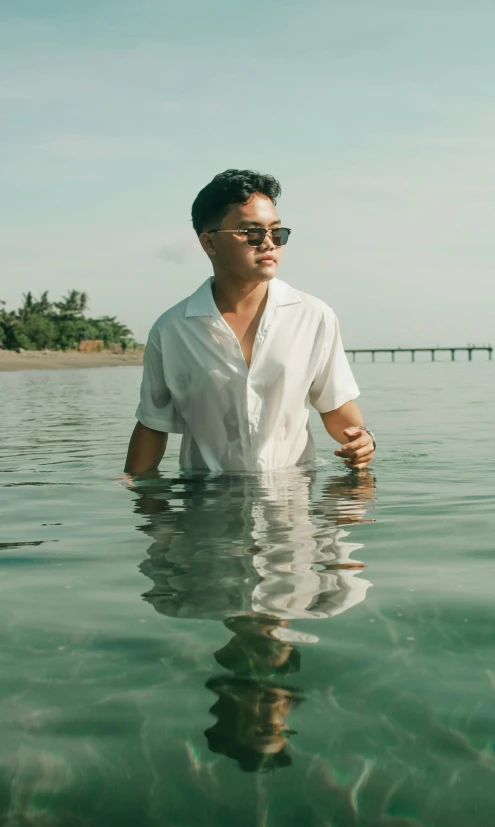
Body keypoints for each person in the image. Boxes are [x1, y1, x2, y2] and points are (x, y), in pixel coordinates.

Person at [124, 169, 375, 474]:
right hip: (206, 502)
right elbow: (153, 424)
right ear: (209, 243)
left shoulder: (313, 316)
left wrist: (362, 439)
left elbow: (335, 404)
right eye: (252, 233)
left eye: (277, 233)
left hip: (292, 500)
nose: (268, 243)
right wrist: (140, 501)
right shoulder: (172, 330)